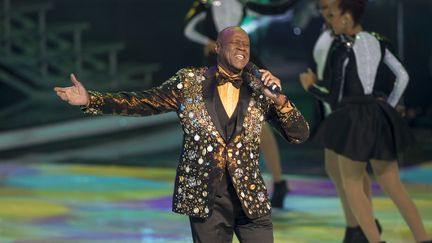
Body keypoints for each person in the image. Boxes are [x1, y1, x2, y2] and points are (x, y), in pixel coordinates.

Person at [54, 26, 309, 243]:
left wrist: (280, 101)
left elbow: (299, 135)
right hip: (206, 198)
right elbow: (142, 102)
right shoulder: (189, 82)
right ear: (217, 47)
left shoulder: (260, 90)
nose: (243, 47)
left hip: (251, 199)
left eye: (247, 44)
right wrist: (91, 100)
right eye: (235, 42)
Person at [300, 0, 431, 242]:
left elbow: (336, 99)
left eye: (332, 15)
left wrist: (310, 87)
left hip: (352, 120)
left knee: (352, 184)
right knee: (395, 187)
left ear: (347, 17)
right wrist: (388, 108)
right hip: (378, 114)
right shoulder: (378, 40)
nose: (329, 20)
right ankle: (423, 238)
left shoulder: (342, 50)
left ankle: (374, 240)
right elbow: (403, 76)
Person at [184, 0, 300, 208]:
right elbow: (188, 30)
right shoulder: (205, 4)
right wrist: (208, 41)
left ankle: (278, 181)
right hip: (217, 64)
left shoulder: (243, 3)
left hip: (242, 63)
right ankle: (223, 185)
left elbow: (277, 9)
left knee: (259, 121)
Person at [307, 0, 379, 242]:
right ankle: (359, 225)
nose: (324, 10)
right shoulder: (330, 34)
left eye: (329, 7)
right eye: (322, 7)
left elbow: (343, 82)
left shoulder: (344, 40)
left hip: (343, 114)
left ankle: (360, 227)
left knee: (350, 175)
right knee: (343, 172)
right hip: (333, 112)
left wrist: (313, 86)